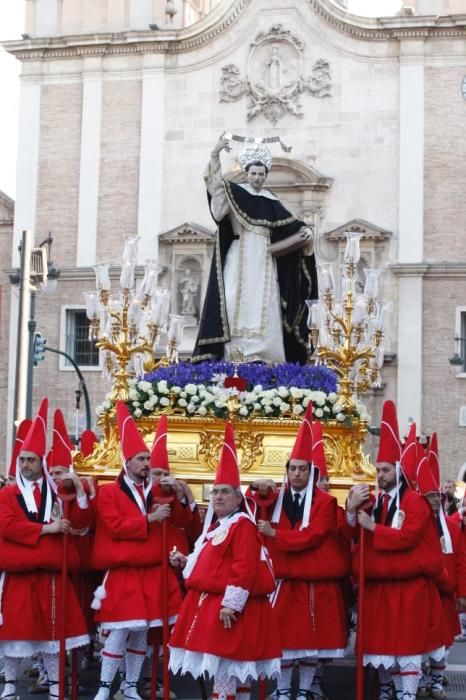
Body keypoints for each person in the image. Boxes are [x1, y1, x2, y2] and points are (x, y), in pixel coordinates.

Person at [169, 423, 281, 700]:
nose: (218, 496)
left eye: (225, 492)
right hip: (215, 606)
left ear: (238, 498)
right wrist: (186, 562)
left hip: (229, 610)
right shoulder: (222, 524)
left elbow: (244, 566)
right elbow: (215, 562)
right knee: (231, 673)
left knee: (227, 674)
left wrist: (231, 605)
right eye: (215, 492)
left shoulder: (241, 524)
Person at [346, 401, 445, 700]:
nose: (380, 475)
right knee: (381, 645)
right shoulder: (373, 501)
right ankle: (389, 689)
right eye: (377, 469)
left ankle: (408, 694)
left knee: (408, 645)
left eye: (386, 469)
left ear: (398, 471)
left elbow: (409, 537)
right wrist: (351, 511)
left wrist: (373, 527)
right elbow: (353, 535)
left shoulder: (414, 501)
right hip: (379, 587)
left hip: (409, 587)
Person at [251, 405, 349, 700]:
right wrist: (257, 487)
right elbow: (250, 501)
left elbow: (313, 535)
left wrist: (275, 534)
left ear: (311, 471)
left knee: (310, 645)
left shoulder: (325, 503)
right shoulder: (278, 496)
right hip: (284, 584)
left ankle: (304, 691)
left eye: (302, 469)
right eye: (292, 468)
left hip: (311, 586)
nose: (296, 474)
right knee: (282, 644)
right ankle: (282, 692)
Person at [192, 134, 317, 364]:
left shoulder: (272, 200)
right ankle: (233, 355)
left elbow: (292, 226)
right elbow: (217, 196)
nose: (257, 178)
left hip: (265, 259)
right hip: (239, 256)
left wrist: (307, 234)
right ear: (246, 173)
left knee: (266, 302)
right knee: (231, 299)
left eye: (261, 174)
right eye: (253, 173)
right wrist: (214, 154)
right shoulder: (235, 194)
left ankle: (265, 356)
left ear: (266, 175)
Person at [91, 402, 184, 700]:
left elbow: (182, 523)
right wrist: (149, 520)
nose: (146, 463)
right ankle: (106, 687)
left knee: (143, 633)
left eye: (147, 458)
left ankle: (131, 686)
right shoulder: (108, 492)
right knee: (119, 630)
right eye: (141, 458)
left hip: (152, 573)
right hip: (124, 572)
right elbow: (114, 525)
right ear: (127, 462)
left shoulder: (157, 491)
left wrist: (182, 494)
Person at [0, 399, 91, 700]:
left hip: (52, 574)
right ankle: (10, 687)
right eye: (22, 460)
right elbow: (8, 526)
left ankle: (56, 685)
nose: (26, 465)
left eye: (31, 460)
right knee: (14, 633)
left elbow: (79, 525)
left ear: (42, 462)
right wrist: (46, 530)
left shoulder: (58, 492)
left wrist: (78, 492)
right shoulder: (8, 494)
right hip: (20, 575)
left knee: (54, 635)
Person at [416, 436, 466, 699]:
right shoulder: (415, 524)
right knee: (422, 638)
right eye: (430, 495)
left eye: (438, 495)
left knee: (444, 642)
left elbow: (460, 561)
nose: (435, 500)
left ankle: (436, 680)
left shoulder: (454, 526)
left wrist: (461, 594)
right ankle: (422, 677)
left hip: (446, 593)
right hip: (423, 592)